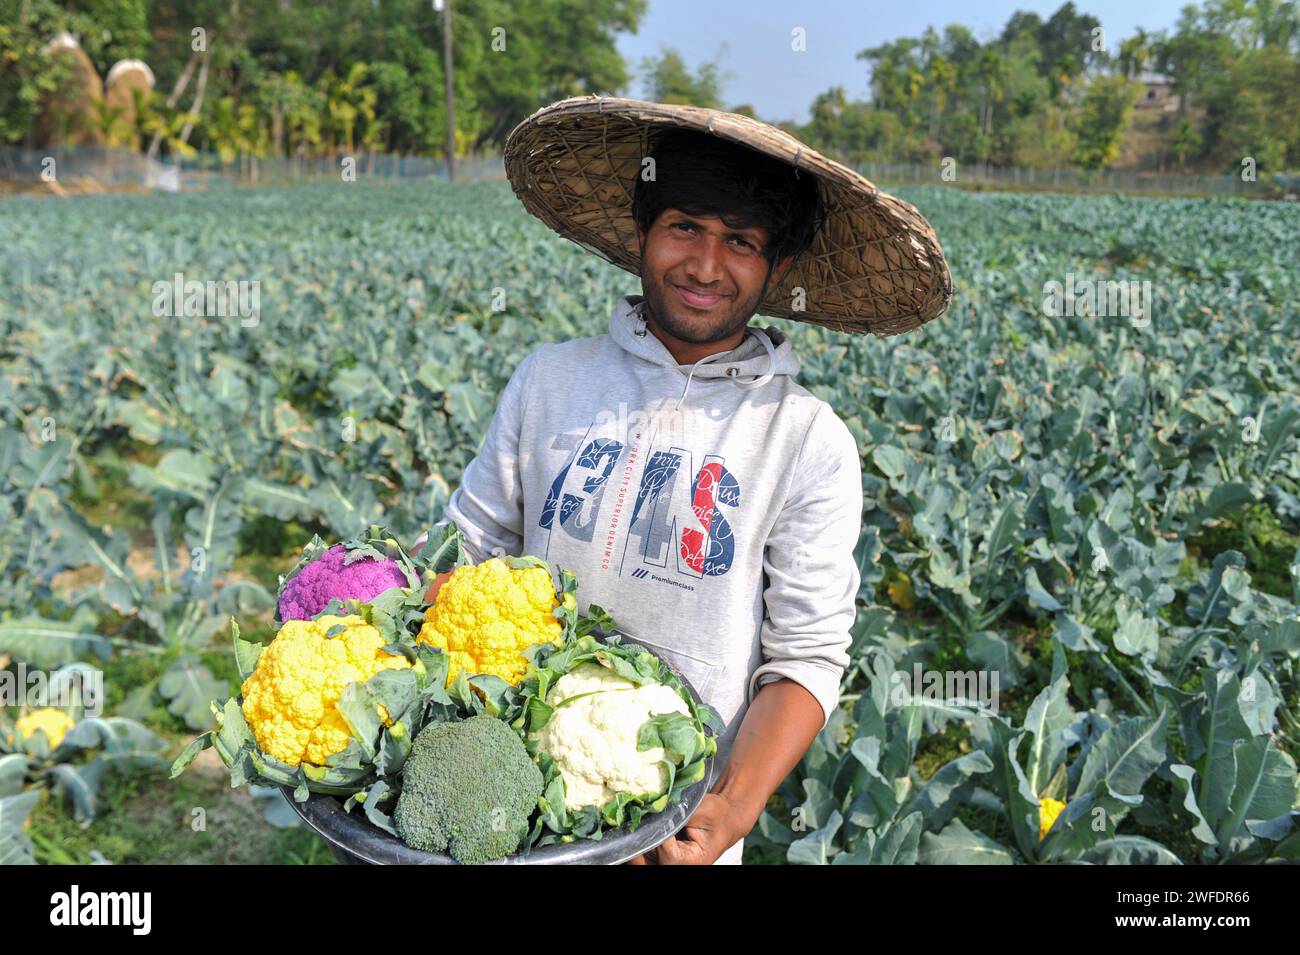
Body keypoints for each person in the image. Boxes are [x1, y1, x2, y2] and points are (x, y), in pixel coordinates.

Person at [413, 96, 951, 865]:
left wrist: (729, 805)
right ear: (641, 234)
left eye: (741, 241)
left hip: (673, 819)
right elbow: (467, 553)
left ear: (778, 268)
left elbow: (806, 655)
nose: (705, 264)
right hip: (504, 797)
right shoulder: (548, 382)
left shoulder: (805, 440)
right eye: (684, 228)